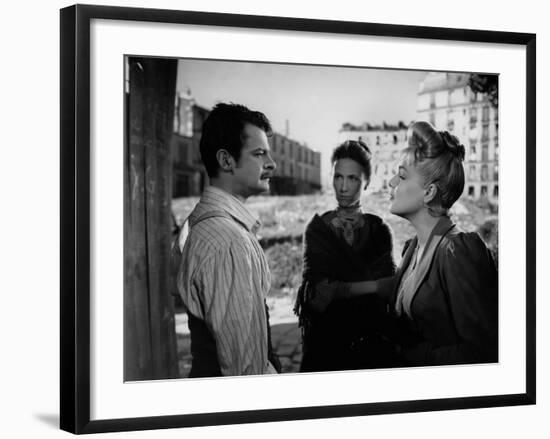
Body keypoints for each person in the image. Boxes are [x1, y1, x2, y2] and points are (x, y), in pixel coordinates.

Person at [317, 121, 498, 367]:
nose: (391, 183)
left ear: (429, 192)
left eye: (402, 175)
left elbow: (483, 353)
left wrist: (409, 354)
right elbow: (398, 294)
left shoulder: (457, 252)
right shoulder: (414, 248)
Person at [175, 102, 281, 377]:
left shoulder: (197, 222)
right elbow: (244, 372)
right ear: (226, 160)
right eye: (259, 154)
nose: (272, 164)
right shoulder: (228, 240)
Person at [294, 140, 398, 372]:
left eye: (353, 179)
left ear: (367, 182)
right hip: (326, 346)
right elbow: (320, 292)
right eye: (338, 177)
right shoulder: (318, 229)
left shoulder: (379, 229)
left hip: (369, 346)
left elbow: (388, 296)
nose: (343, 187)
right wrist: (374, 286)